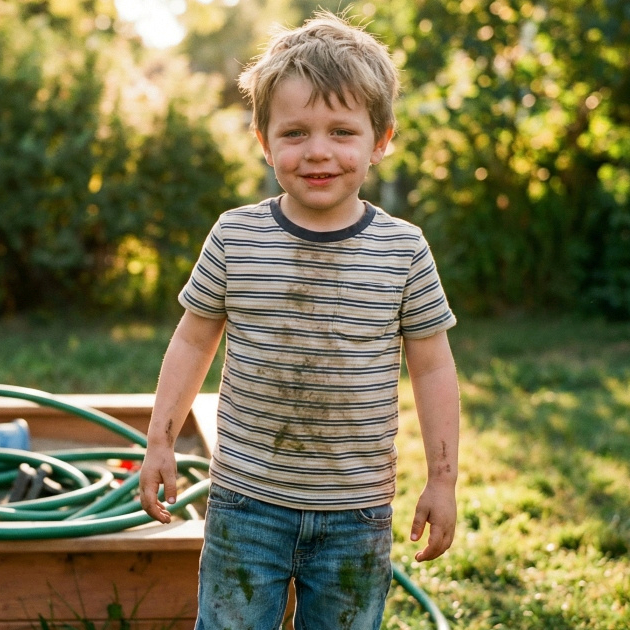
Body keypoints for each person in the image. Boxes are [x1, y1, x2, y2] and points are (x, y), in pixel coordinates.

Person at [138, 10, 460, 630]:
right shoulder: (235, 236)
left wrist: (441, 480)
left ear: (381, 138)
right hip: (245, 503)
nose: (318, 151)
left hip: (355, 514)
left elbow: (434, 368)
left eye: (342, 131)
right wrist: (159, 441)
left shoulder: (404, 250)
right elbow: (192, 341)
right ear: (264, 140)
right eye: (294, 133)